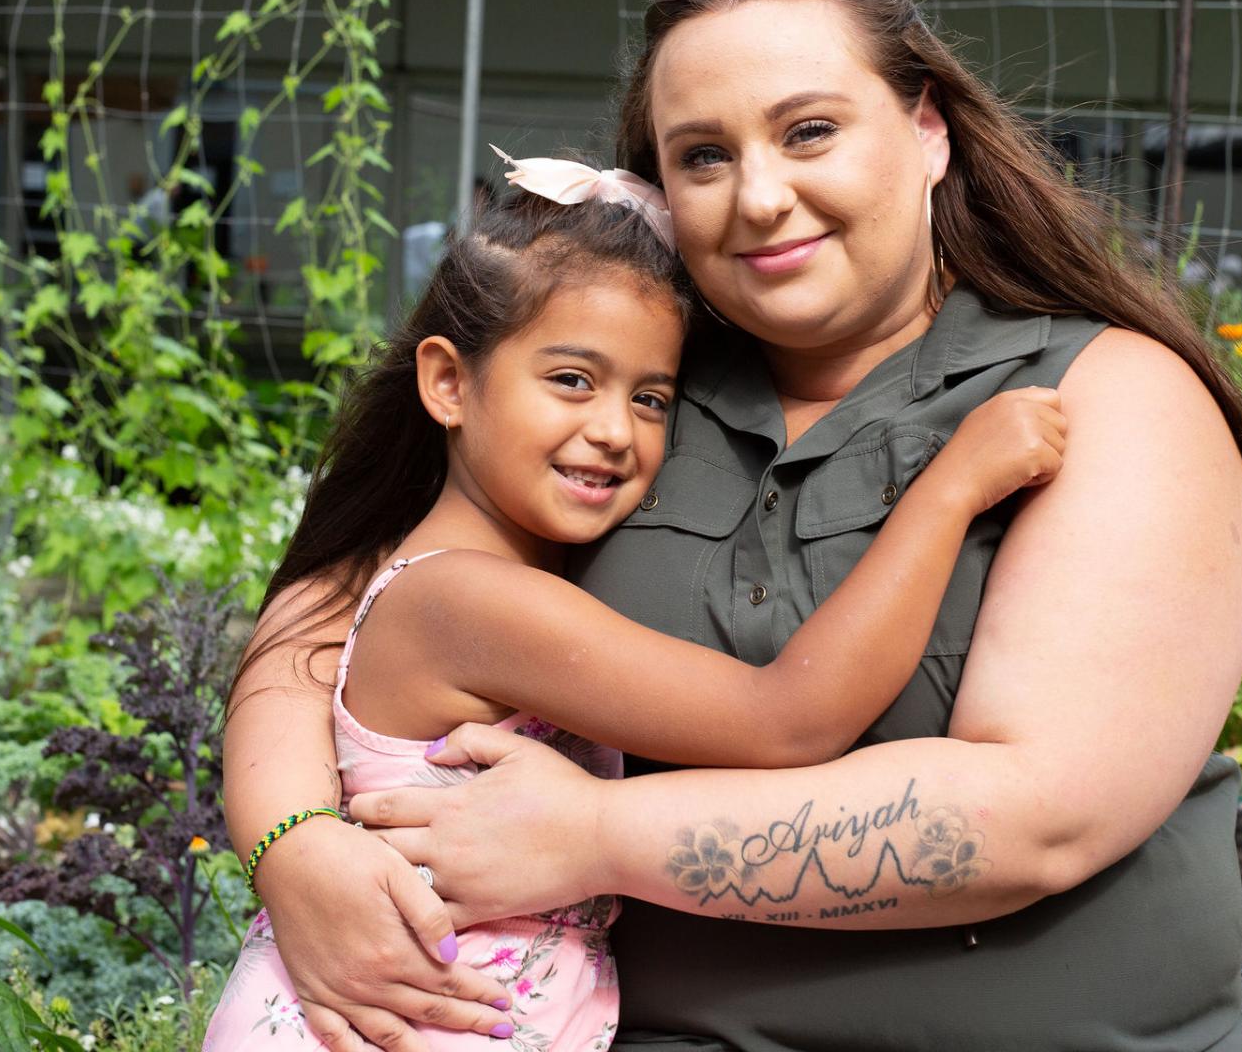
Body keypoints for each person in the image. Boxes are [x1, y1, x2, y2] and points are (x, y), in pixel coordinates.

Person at [225, 0, 1242, 1052]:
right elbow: (341, 607)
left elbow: (1035, 818)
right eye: (705, 155)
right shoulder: (631, 387)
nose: (761, 195)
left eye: (810, 130)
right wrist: (297, 844)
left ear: (928, 128)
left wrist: (597, 833)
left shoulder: (1098, 395)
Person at [210, 177, 1069, 1048]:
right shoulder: (470, 600)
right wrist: (951, 490)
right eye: (572, 380)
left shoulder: (454, 577)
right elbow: (788, 719)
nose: (616, 430)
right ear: (447, 383)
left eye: (650, 398)